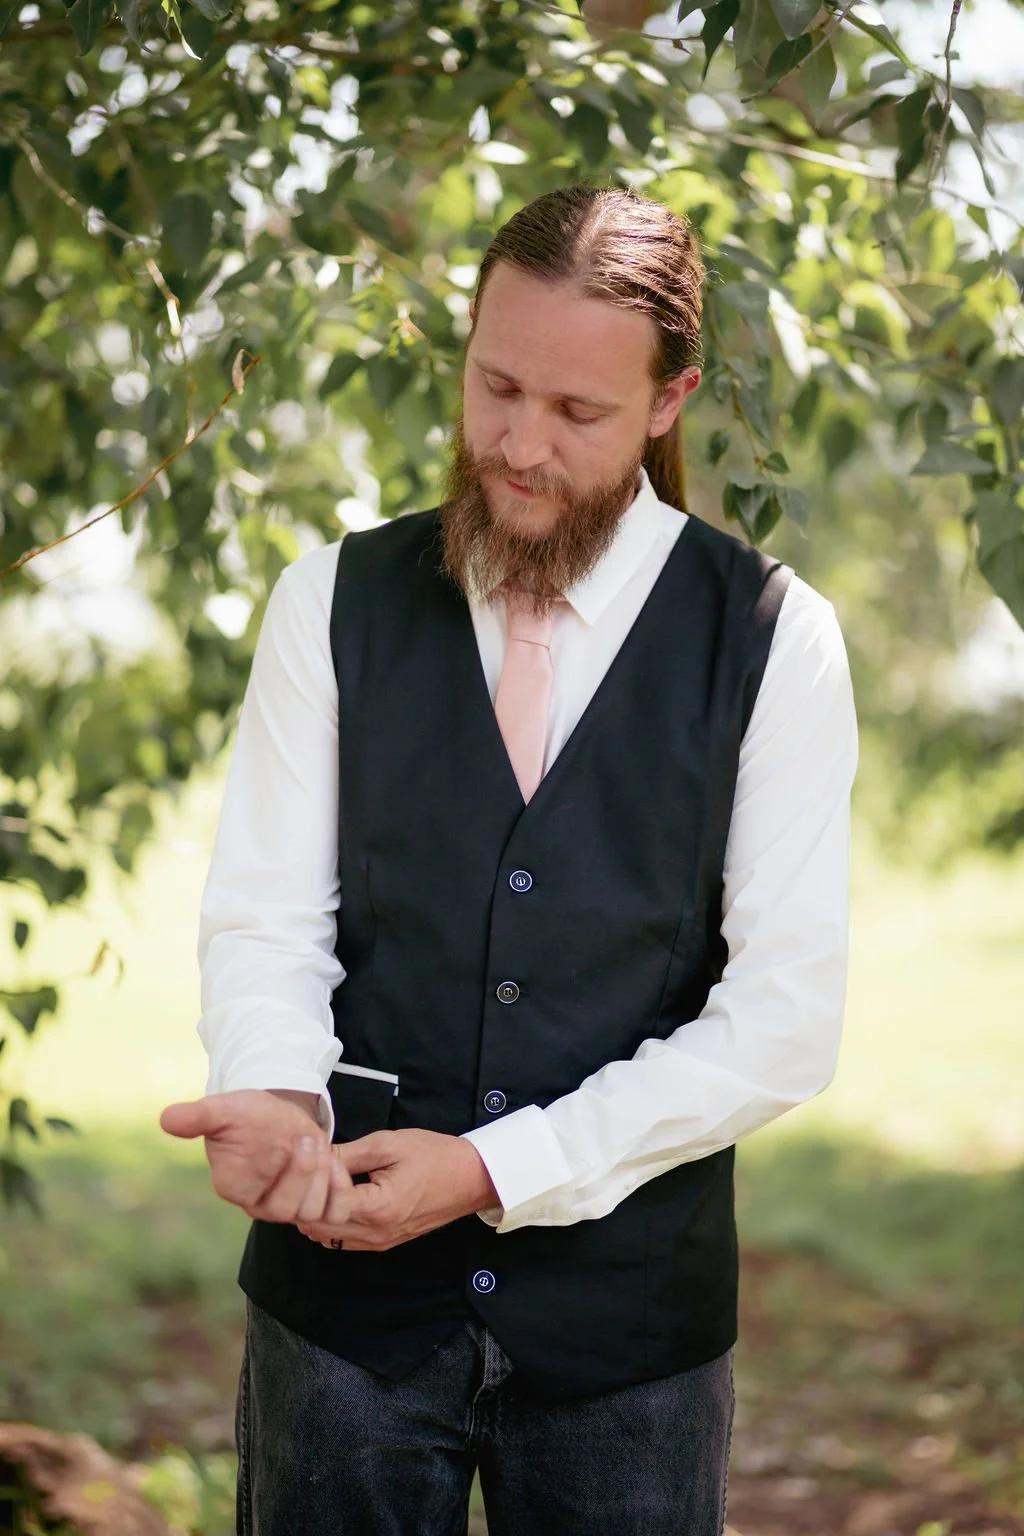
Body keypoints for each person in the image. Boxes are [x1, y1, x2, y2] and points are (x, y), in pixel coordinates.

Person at [160, 183, 857, 1536]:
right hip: (341, 1321)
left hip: (631, 1345)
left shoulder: (778, 640)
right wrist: (277, 1093)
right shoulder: (329, 604)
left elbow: (782, 1020)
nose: (520, 446)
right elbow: (266, 923)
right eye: (496, 387)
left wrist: (494, 1171)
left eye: (578, 411)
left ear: (668, 402)